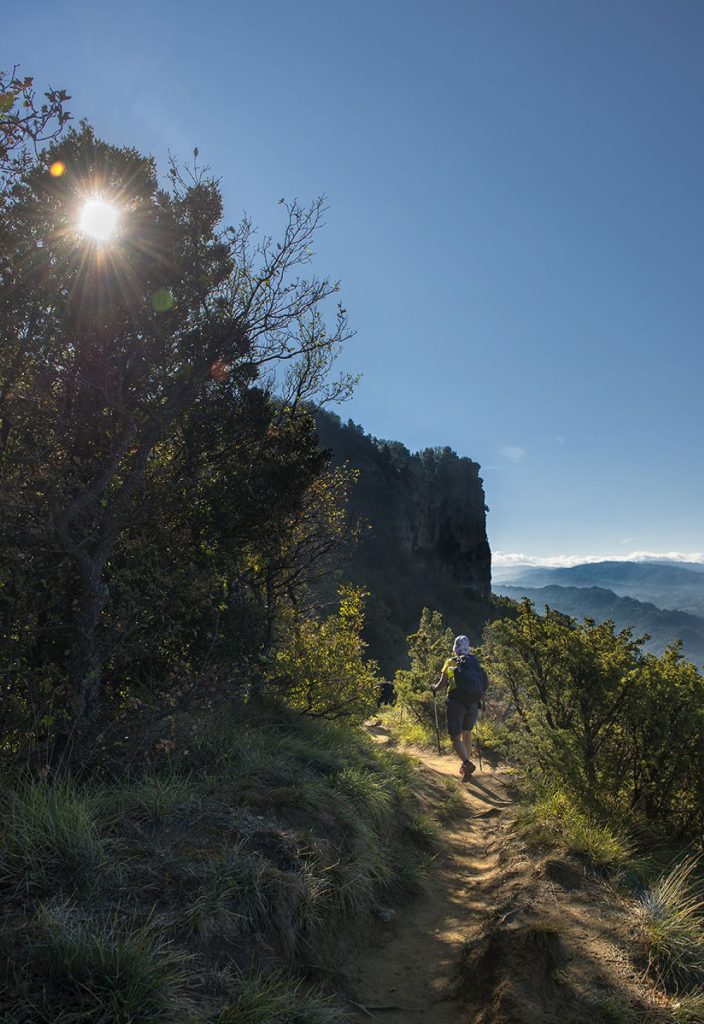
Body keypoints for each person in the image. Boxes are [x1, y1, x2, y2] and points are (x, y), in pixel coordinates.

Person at [432, 635, 488, 780]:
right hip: (473, 703)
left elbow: (441, 685)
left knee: (455, 736)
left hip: (456, 702)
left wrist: (433, 688)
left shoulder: (450, 662)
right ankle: (466, 768)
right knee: (467, 733)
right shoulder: (474, 662)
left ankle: (466, 763)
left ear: (455, 648)